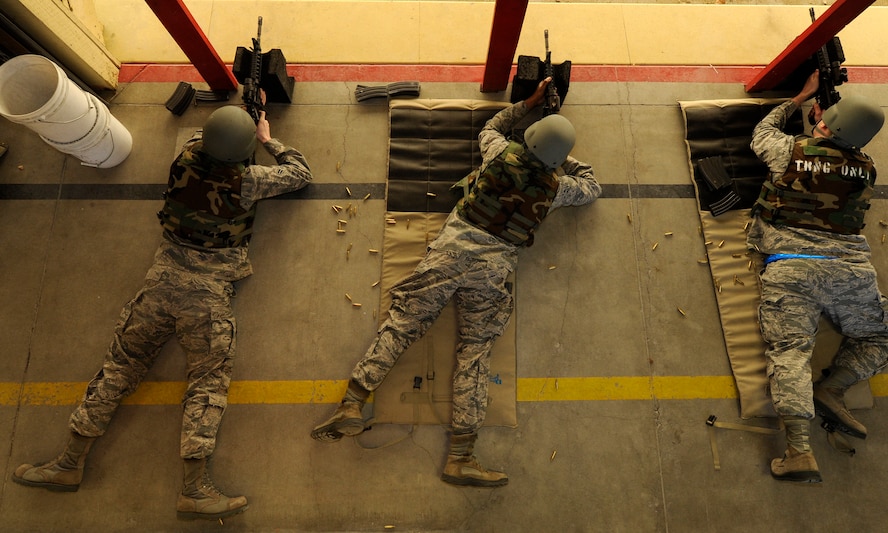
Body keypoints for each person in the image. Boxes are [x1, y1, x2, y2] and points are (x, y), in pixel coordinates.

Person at [12, 105, 312, 520]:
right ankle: (194, 490)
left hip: (161, 280)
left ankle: (67, 463)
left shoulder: (185, 154)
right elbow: (300, 173)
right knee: (207, 383)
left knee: (119, 368)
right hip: (208, 294)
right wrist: (266, 139)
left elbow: (213, 150)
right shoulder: (250, 180)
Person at [311, 78, 601, 487]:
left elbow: (492, 127)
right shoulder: (558, 190)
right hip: (493, 270)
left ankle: (352, 404)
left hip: (450, 252)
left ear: (530, 139)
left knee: (402, 325)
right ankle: (461, 457)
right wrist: (562, 161)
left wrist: (529, 104)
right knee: (474, 356)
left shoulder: (499, 152)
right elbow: (592, 187)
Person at [748, 71, 886, 483]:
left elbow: (762, 132)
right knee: (881, 333)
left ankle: (799, 451)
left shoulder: (787, 149)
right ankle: (835, 387)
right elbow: (836, 150)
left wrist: (800, 97)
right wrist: (828, 123)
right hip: (851, 270)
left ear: (825, 118)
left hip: (791, 266)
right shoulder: (869, 168)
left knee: (791, 351)